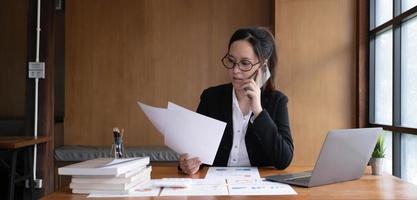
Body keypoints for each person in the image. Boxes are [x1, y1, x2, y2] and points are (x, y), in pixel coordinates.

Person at [179, 27, 294, 175]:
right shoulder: (211, 98)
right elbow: (195, 152)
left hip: (259, 190)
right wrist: (187, 164)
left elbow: (284, 160)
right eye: (231, 61)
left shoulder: (277, 101)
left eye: (245, 63)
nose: (235, 70)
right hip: (215, 188)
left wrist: (258, 111)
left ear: (263, 67)